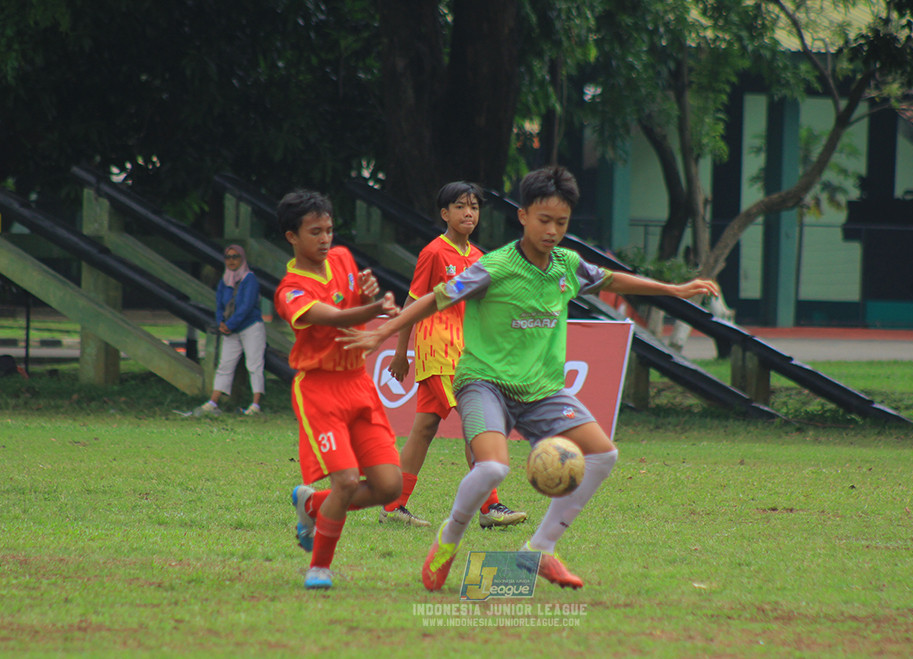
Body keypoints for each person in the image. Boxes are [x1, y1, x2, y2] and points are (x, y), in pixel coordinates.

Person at [340, 166, 719, 591]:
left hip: (541, 390)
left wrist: (673, 290)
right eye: (544, 220)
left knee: (603, 455)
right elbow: (431, 299)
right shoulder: (495, 266)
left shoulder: (567, 265)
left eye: (562, 222)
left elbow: (611, 279)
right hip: (483, 383)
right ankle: (448, 539)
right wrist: (385, 334)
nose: (553, 230)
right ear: (522, 216)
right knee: (493, 467)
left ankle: (540, 549)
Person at [272, 189, 403, 590]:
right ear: (292, 236)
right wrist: (377, 307)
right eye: (315, 232)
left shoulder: (343, 258)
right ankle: (318, 567)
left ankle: (311, 503)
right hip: (320, 391)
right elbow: (336, 317)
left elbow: (353, 301)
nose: (325, 239)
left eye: (328, 229)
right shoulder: (290, 291)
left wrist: (367, 293)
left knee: (389, 487)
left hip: (358, 385)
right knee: (345, 481)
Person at [381, 181, 526, 529]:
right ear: (445, 214)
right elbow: (413, 302)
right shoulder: (434, 252)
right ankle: (489, 507)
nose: (468, 213)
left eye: (474, 207)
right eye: (460, 206)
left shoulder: (478, 257)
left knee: (424, 428)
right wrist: (401, 352)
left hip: (465, 350)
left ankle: (393, 506)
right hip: (438, 348)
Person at [190, 244, 267, 416]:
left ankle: (256, 405)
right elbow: (219, 305)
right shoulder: (225, 280)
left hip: (250, 327)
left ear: (242, 259)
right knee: (225, 364)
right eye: (228, 257)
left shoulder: (250, 279)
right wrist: (221, 323)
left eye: (235, 257)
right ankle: (213, 401)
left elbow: (246, 306)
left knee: (254, 364)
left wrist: (230, 324)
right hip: (230, 330)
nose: (232, 261)